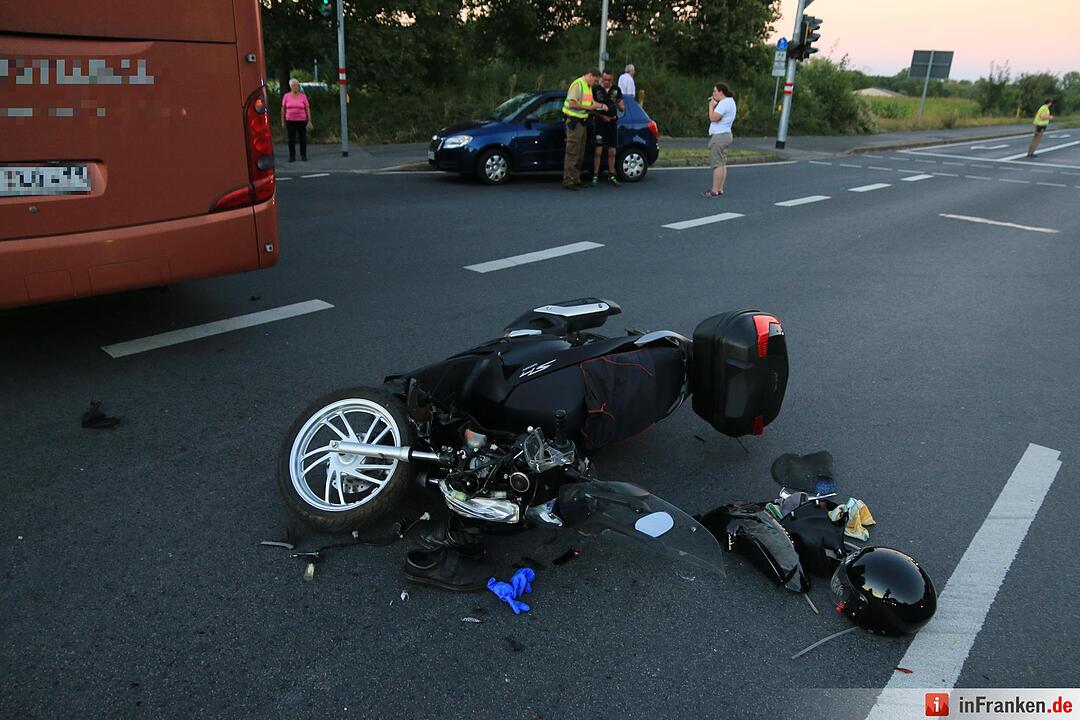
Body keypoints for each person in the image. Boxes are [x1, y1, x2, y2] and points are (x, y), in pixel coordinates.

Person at [562, 68, 605, 190]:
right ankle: (568, 180)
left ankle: (576, 178)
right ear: (590, 75)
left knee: (580, 153)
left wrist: (601, 106)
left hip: (582, 122)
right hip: (574, 123)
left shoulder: (588, 86)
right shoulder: (578, 84)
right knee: (572, 153)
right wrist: (590, 108)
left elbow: (591, 103)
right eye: (595, 80)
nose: (595, 83)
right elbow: (572, 104)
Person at [591, 69, 625, 186]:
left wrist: (620, 106)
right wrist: (601, 116)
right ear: (601, 78)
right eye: (605, 80)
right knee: (598, 150)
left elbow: (621, 106)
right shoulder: (595, 89)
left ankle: (612, 174)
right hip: (600, 123)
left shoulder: (616, 89)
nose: (607, 82)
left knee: (612, 151)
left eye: (609, 80)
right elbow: (591, 107)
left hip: (612, 124)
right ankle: (595, 175)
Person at [702, 82, 736, 198]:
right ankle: (720, 189)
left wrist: (711, 106)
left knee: (717, 164)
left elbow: (713, 118)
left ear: (721, 92)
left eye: (715, 91)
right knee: (722, 163)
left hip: (720, 136)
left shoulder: (724, 103)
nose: (713, 93)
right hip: (726, 134)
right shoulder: (731, 101)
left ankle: (714, 190)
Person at [281, 78, 313, 162]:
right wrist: (282, 121)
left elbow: (307, 108)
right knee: (291, 139)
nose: (296, 87)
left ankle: (303, 155)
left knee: (302, 138)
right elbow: (283, 109)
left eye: (297, 85)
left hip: (301, 120)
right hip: (290, 120)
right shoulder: (286, 96)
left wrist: (309, 120)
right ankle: (292, 156)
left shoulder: (303, 96)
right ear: (291, 86)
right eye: (294, 85)